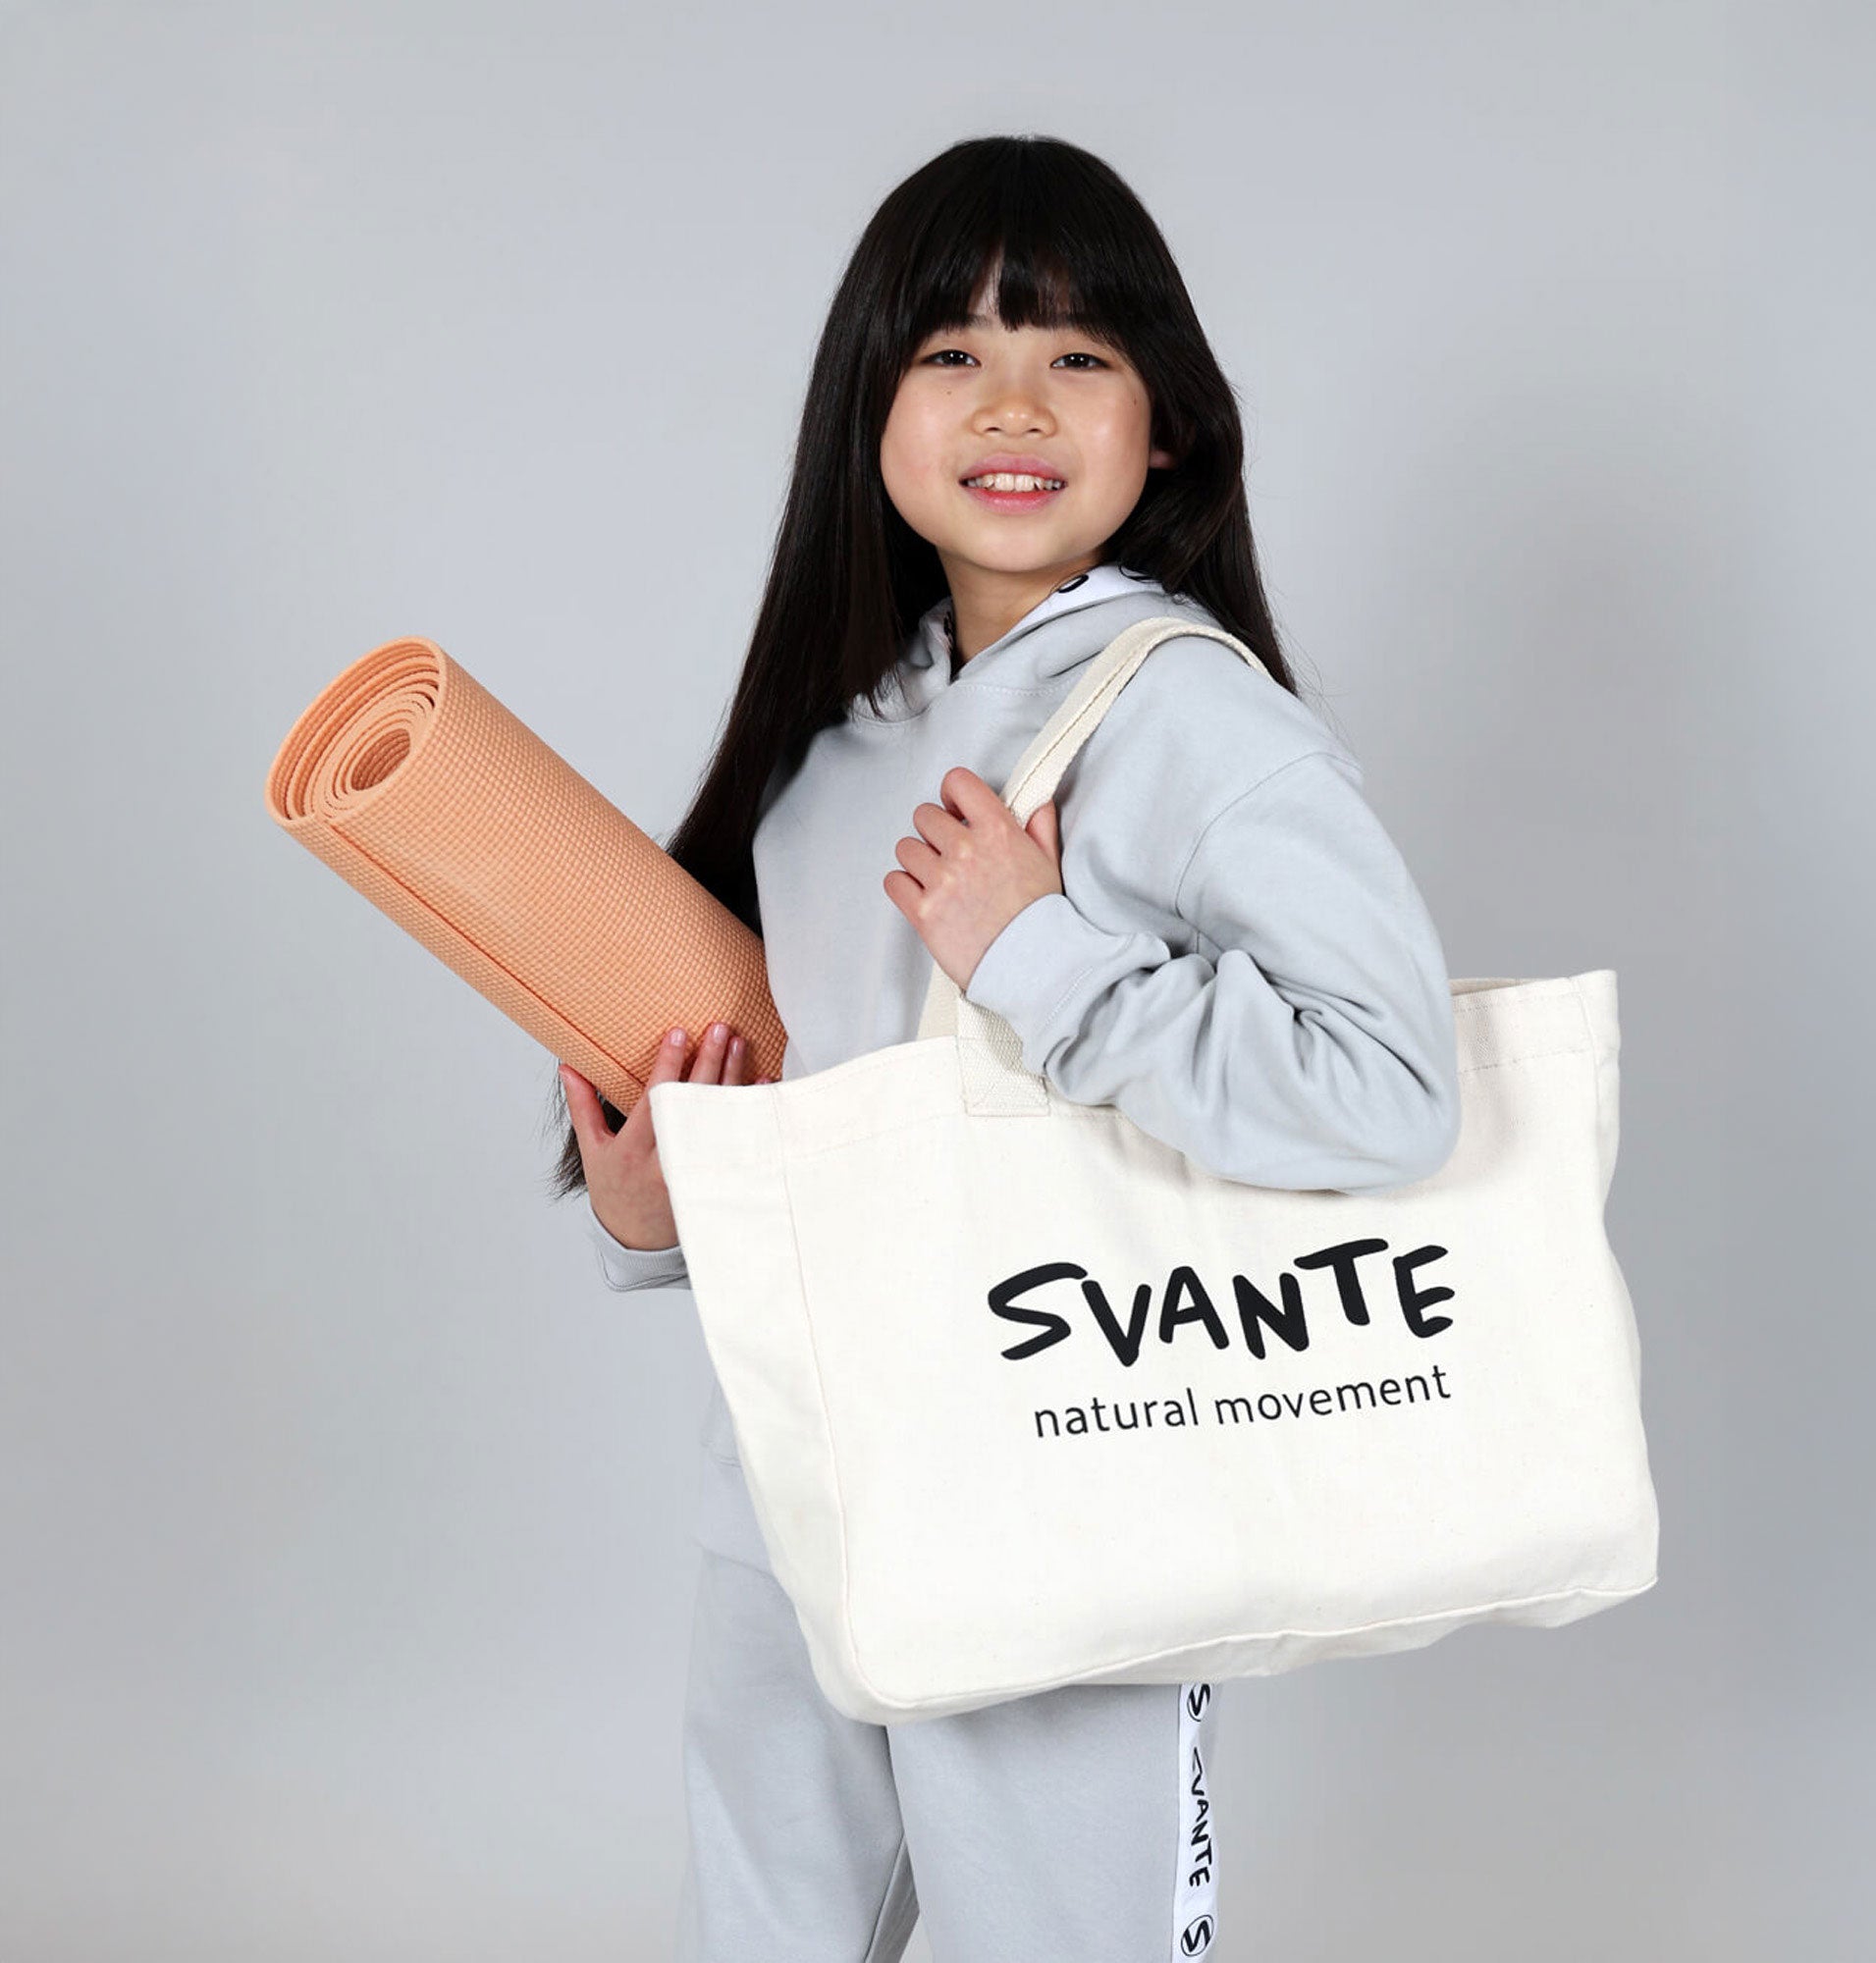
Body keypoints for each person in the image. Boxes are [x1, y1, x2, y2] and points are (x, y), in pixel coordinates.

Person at [553, 133, 1462, 1963]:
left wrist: (1039, 954)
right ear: (869, 417)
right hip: (791, 1501)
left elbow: (1393, 1089)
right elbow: (847, 1145)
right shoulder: (825, 756)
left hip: (1072, 1498)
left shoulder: (1199, 727)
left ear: (1169, 429)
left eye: (1079, 355)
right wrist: (661, 1209)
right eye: (952, 354)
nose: (1013, 402)